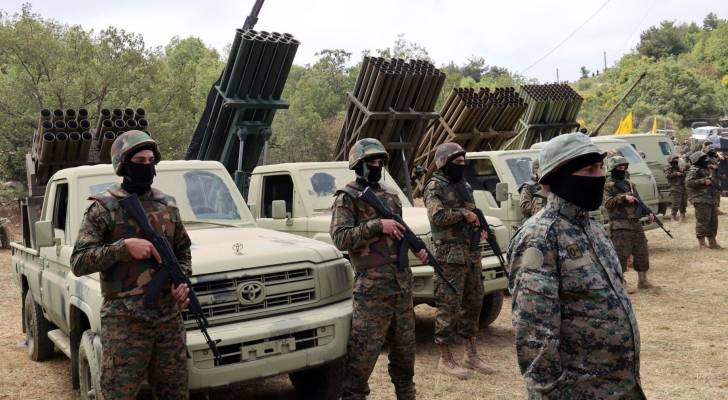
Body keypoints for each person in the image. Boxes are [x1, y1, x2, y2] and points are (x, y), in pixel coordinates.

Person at [508, 132, 645, 399]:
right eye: (589, 169)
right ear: (561, 176)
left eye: (599, 169)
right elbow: (535, 337)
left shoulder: (592, 228)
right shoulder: (540, 237)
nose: (599, 177)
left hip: (621, 385)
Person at [71, 130, 192, 400]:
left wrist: (182, 281)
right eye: (140, 160)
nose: (147, 166)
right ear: (123, 164)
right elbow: (79, 261)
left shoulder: (167, 205)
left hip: (168, 321)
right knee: (118, 394)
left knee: (175, 393)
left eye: (151, 160)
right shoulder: (104, 208)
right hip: (124, 322)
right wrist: (123, 248)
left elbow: (183, 251)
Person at [330, 138, 427, 400]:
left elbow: (399, 232)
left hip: (401, 288)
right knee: (360, 365)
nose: (377, 165)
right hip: (371, 291)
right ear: (358, 164)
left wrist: (417, 247)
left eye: (380, 161)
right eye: (371, 161)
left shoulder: (392, 196)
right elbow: (340, 238)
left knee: (405, 362)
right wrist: (376, 225)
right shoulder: (347, 197)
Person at [423, 142, 495, 380]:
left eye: (464, 162)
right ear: (444, 162)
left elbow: (472, 210)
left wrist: (480, 226)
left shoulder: (462, 184)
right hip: (449, 257)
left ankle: (470, 354)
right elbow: (438, 216)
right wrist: (465, 215)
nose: (462, 166)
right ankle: (445, 359)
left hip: (471, 253)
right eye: (457, 163)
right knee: (449, 307)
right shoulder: (435, 186)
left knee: (474, 302)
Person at [603, 156, 653, 289]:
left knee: (642, 252)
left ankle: (643, 281)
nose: (623, 169)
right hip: (620, 226)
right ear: (613, 168)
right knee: (621, 255)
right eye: (620, 167)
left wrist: (648, 212)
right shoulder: (608, 186)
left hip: (635, 223)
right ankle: (621, 284)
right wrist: (623, 197)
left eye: (624, 167)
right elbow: (607, 204)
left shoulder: (629, 183)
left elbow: (639, 201)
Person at [686, 151, 721, 249]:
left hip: (710, 198)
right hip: (700, 199)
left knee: (713, 221)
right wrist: (703, 181)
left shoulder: (704, 168)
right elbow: (689, 182)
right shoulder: (694, 170)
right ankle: (702, 243)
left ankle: (712, 241)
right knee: (703, 221)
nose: (706, 161)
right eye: (703, 160)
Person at [665, 155, 688, 222]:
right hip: (675, 187)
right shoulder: (669, 168)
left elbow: (685, 174)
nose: (676, 161)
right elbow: (667, 175)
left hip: (682, 187)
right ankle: (673, 216)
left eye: (677, 160)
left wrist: (683, 172)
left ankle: (682, 215)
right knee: (676, 203)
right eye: (674, 159)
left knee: (684, 202)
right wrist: (676, 173)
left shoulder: (679, 167)